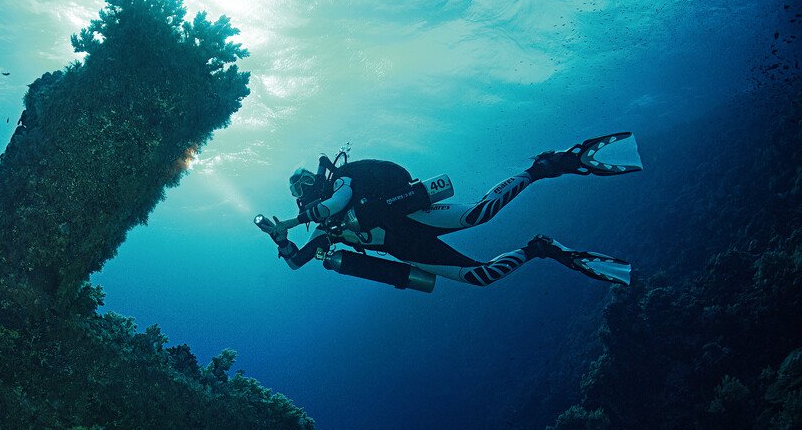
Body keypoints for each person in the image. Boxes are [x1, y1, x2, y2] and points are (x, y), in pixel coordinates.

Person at [255, 133, 642, 293]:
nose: (304, 191)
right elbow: (295, 264)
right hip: (407, 251)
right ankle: (541, 248)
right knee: (480, 277)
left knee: (476, 215)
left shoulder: (342, 179)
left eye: (306, 183)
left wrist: (295, 220)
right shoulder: (326, 233)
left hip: (411, 214)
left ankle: (543, 168)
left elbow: (336, 203)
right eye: (298, 190)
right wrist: (283, 241)